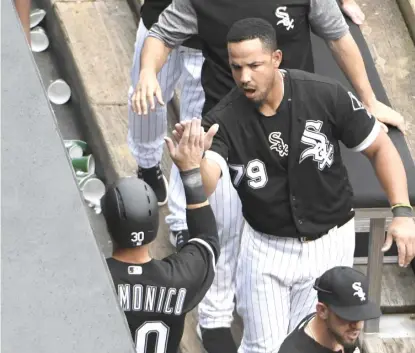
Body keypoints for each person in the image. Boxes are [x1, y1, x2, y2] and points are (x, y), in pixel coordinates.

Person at [132, 1, 405, 349]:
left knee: (317, 342)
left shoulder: (323, 95)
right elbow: (210, 177)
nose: (245, 76)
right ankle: (214, 320)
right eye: (237, 67)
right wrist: (190, 168)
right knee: (263, 341)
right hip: (267, 243)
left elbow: (379, 146)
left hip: (329, 238)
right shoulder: (226, 116)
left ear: (276, 59)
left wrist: (403, 211)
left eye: (254, 65)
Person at [104, 119, 219, 353]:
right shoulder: (179, 278)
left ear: (108, 224)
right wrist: (190, 170)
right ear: (154, 226)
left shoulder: (96, 282)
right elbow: (207, 240)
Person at [128, 0, 205, 250]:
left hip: (209, 31)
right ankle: (148, 165)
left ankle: (182, 218)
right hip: (159, 17)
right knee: (144, 99)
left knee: (197, 124)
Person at [278, 266, 382, 353]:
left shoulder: (338, 333)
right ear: (322, 311)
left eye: (361, 316)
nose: (358, 326)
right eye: (349, 317)